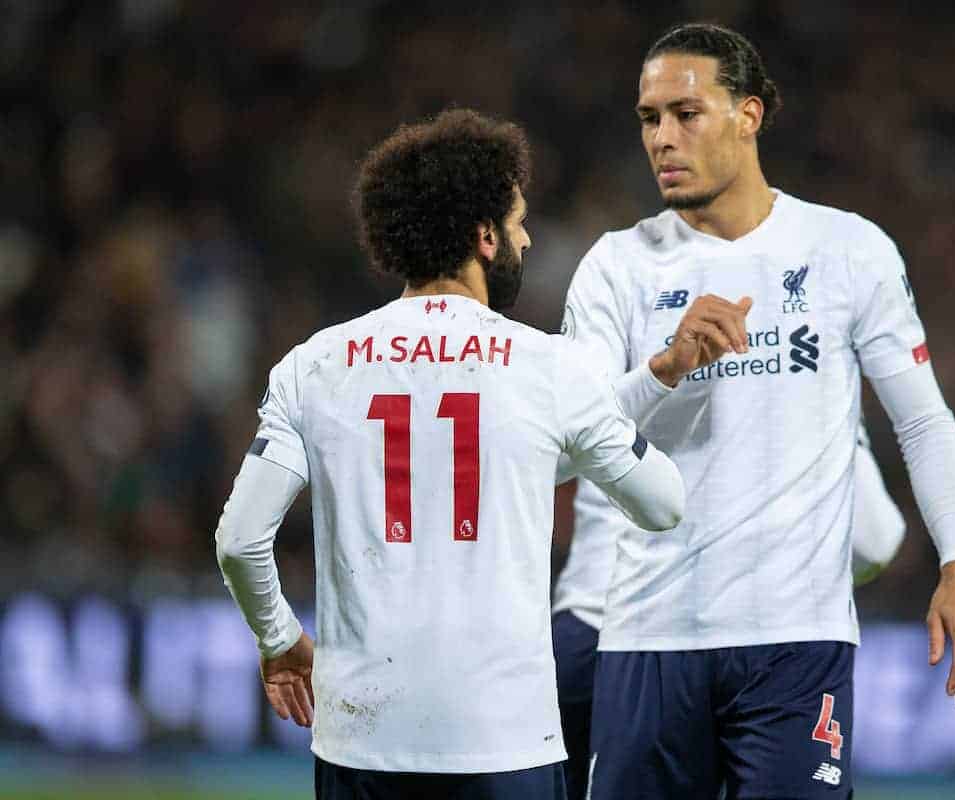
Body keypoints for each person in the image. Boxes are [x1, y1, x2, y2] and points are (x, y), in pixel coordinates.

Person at [559, 23, 955, 799]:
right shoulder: (615, 266)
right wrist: (663, 370)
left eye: (685, 114)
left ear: (749, 115)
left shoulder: (846, 250)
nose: (662, 137)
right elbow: (566, 449)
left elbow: (924, 422)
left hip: (796, 645)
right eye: (648, 118)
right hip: (645, 638)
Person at [214, 108, 686, 800]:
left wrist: (281, 638)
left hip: (362, 743)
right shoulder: (550, 369)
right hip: (505, 744)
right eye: (519, 220)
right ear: (485, 235)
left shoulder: (314, 365)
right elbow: (663, 504)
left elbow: (238, 541)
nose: (527, 235)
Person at [551, 420, 905, 800]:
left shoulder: (599, 365)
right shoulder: (813, 386)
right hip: (746, 636)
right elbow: (875, 541)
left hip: (591, 630)